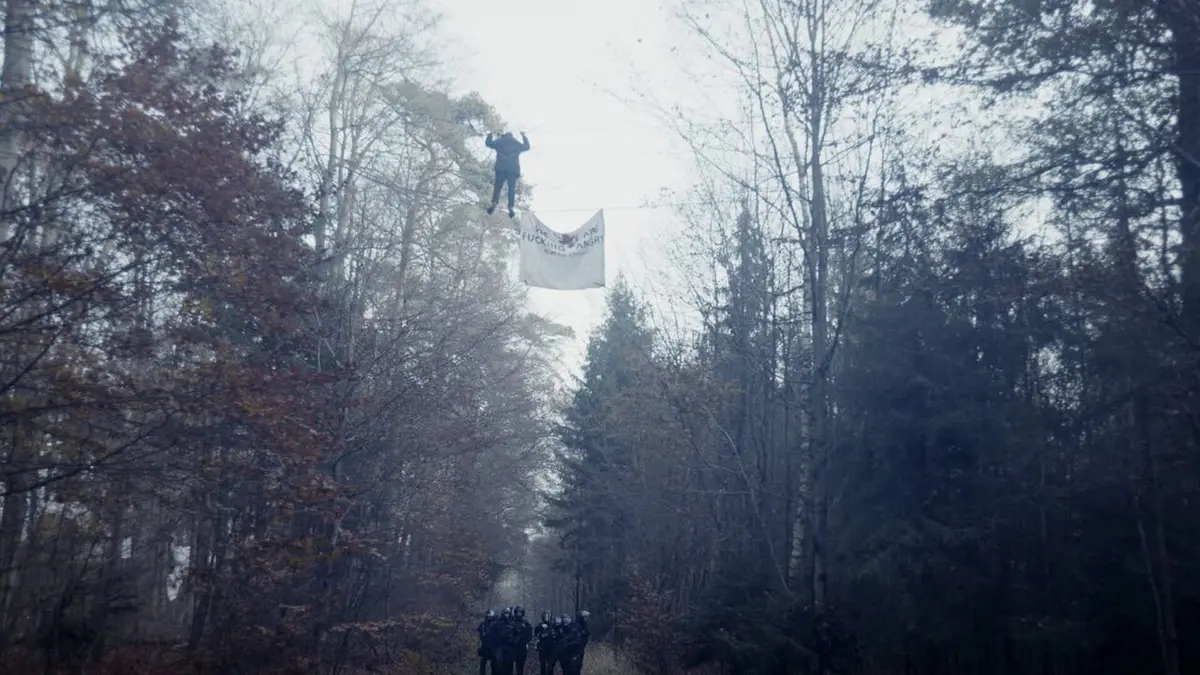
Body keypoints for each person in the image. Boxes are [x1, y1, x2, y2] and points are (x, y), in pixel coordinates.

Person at [484, 131, 530, 218]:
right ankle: (511, 206)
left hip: (500, 169)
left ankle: (494, 203)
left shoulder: (500, 142)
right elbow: (527, 147)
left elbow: (488, 143)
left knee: (497, 187)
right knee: (511, 189)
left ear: (504, 136)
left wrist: (490, 134)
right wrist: (524, 136)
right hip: (513, 170)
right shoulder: (516, 143)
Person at [512, 606, 534, 675]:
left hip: (522, 647)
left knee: (520, 666)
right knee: (508, 666)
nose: (519, 614)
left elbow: (530, 634)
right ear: (515, 613)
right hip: (512, 647)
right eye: (518, 612)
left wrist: (526, 641)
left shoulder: (526, 623)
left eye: (520, 613)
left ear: (522, 613)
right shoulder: (512, 622)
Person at [477, 609, 498, 675]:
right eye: (488, 614)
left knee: (494, 664)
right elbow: (479, 636)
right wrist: (479, 646)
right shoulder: (483, 624)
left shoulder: (496, 623)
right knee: (483, 663)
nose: (489, 615)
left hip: (493, 647)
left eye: (490, 614)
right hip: (485, 646)